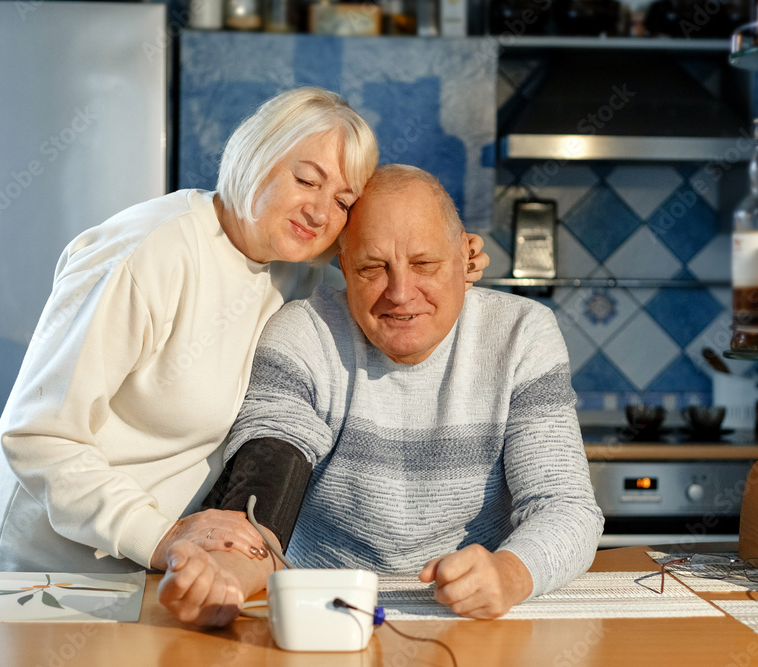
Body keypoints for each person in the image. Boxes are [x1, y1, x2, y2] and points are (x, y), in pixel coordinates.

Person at [0, 88, 492, 577]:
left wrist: (443, 254)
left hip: (156, 565)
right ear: (255, 156)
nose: (318, 210)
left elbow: (378, 264)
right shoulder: (151, 254)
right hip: (49, 570)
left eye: (343, 201)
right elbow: (40, 437)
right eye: (306, 180)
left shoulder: (291, 260)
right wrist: (160, 536)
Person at [159, 164, 603, 626]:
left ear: (465, 259)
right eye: (372, 268)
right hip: (327, 616)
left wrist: (509, 574)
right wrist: (229, 569)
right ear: (343, 268)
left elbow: (565, 506)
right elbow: (270, 468)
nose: (401, 292)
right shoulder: (303, 333)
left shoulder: (521, 334)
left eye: (425, 264)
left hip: (472, 622)